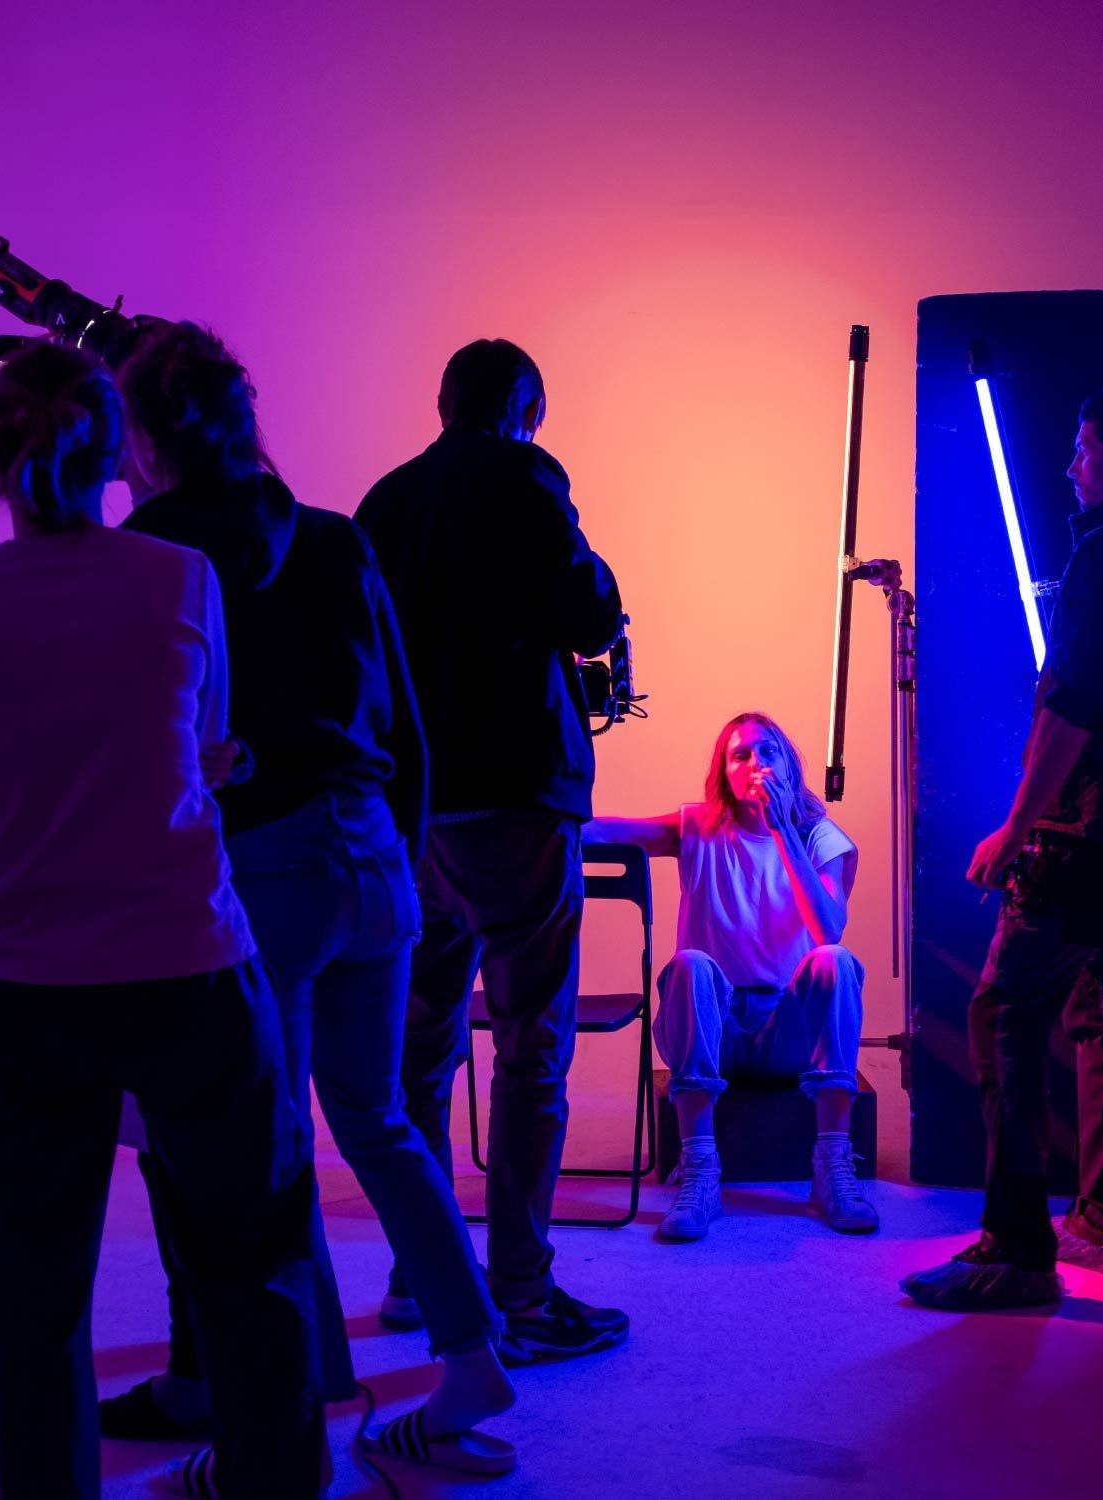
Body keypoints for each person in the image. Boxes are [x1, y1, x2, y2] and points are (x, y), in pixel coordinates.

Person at [101, 322, 514, 1478]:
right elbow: (406, 719)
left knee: (269, 1152)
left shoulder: (150, 551)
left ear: (148, 435)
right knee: (380, 1122)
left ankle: (299, 1416)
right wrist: (407, 863)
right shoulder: (336, 536)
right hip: (372, 853)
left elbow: (152, 735)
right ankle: (471, 1357)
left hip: (261, 871)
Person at [0, 342, 322, 1498]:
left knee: (38, 1300)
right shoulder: (181, 580)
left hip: (26, 988)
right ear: (122, 454)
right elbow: (200, 752)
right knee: (252, 1273)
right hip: (189, 970)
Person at [903, 388, 1103, 1312]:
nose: (1070, 465)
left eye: (1084, 449)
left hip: (1090, 825)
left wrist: (1019, 825)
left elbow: (1072, 704)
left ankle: (1015, 1250)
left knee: (1005, 1010)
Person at [355, 338, 628, 1361]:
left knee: (420, 1051)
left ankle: (421, 1277)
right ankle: (522, 1291)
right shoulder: (526, 477)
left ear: (443, 403)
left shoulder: (386, 500)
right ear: (522, 409)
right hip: (518, 800)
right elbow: (590, 614)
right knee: (530, 1047)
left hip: (416, 810)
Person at [586, 711, 877, 1239]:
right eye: (740, 754)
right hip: (713, 1030)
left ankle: (832, 1164)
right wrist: (539, 821)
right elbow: (609, 831)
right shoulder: (698, 827)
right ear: (724, 772)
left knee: (835, 960)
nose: (755, 763)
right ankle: (700, 1168)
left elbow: (828, 928)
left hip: (787, 1037)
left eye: (767, 751)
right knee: (690, 965)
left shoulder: (821, 837)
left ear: (788, 765)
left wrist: (782, 831)